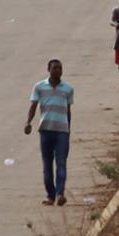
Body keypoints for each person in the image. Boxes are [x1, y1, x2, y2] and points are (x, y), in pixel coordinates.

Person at [24, 59, 73, 207]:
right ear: (48, 70)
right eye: (55, 68)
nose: (58, 71)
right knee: (47, 166)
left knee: (61, 163)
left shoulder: (68, 89)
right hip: (45, 130)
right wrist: (28, 122)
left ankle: (60, 194)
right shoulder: (39, 87)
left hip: (62, 132)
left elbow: (68, 111)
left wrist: (68, 129)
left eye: (60, 68)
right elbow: (33, 106)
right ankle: (50, 196)